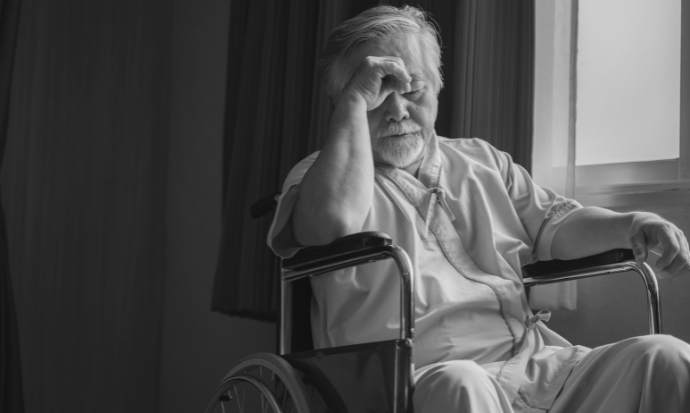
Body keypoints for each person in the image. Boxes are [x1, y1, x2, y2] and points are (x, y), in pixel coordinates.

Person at [266, 5, 690, 413]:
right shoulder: (320, 177)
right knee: (463, 384)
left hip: (532, 365)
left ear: (437, 86)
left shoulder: (482, 161)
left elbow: (559, 223)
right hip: (417, 382)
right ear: (342, 103)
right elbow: (332, 222)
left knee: (664, 357)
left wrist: (633, 223)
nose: (397, 110)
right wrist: (356, 101)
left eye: (413, 90)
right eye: (376, 94)